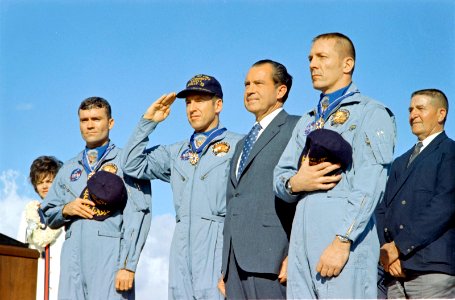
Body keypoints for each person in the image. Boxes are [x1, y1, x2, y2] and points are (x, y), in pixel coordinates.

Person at [273, 32, 396, 298]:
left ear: (347, 64)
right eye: (310, 58)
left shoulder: (370, 113)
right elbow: (280, 177)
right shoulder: (307, 121)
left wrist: (343, 239)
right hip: (302, 243)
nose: (312, 64)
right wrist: (297, 183)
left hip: (342, 240)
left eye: (321, 57)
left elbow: (370, 184)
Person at [121, 74, 242, 300]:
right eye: (188, 102)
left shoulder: (239, 145)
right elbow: (130, 164)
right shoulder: (176, 153)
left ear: (218, 105)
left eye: (200, 100)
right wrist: (148, 121)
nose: (192, 108)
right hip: (181, 250)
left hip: (217, 246)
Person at [41, 97, 151, 300]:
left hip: (109, 258)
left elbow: (138, 217)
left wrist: (127, 265)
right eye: (84, 120)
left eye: (96, 119)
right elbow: (47, 213)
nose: (90, 125)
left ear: (110, 123)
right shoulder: (69, 168)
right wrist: (66, 209)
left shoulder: (127, 162)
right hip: (72, 259)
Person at [220, 59, 299, 299]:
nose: (250, 90)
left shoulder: (296, 128)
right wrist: (225, 267)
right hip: (235, 266)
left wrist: (294, 254)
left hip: (273, 263)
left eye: (258, 83)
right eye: (246, 84)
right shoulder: (243, 144)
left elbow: (305, 197)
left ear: (280, 90)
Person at [376, 89, 455, 298]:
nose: (413, 115)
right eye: (410, 109)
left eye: (420, 108)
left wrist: (398, 247)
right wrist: (386, 252)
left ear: (441, 114)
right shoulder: (399, 162)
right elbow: (382, 207)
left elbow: (444, 206)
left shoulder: (450, 153)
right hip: (394, 271)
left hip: (432, 269)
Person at [17, 156, 64, 300]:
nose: (44, 186)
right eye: (40, 182)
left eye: (49, 181)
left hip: (62, 283)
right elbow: (21, 250)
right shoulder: (28, 214)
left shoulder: (68, 212)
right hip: (36, 283)